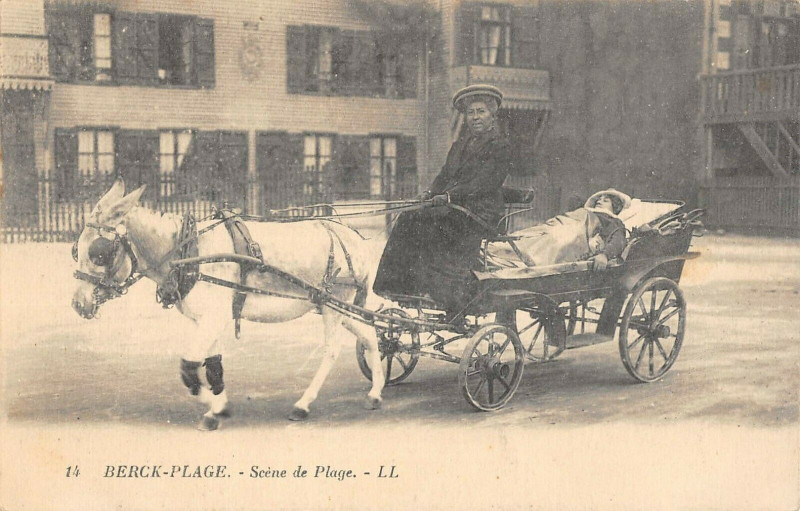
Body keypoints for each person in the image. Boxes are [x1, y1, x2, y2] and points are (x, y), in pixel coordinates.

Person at [373, 84, 512, 316]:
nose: (475, 117)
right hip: (457, 207)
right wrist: (429, 194)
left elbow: (485, 182)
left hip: (481, 211)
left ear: (492, 114)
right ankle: (400, 287)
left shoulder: (500, 145)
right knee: (410, 215)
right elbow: (445, 174)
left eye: (481, 111)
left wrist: (449, 196)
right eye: (470, 113)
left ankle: (443, 292)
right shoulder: (460, 145)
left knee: (430, 225)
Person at [583, 188, 631, 270]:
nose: (598, 202)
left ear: (615, 207)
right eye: (598, 200)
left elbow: (618, 240)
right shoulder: (585, 214)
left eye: (605, 201)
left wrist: (604, 255)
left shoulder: (613, 221)